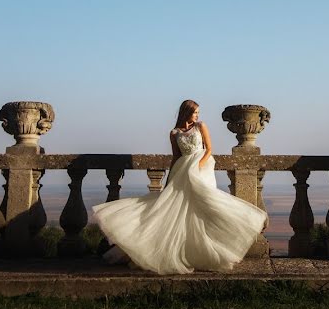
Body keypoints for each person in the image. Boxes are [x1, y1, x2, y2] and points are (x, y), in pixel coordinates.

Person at [91, 100, 268, 275]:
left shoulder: (200, 126)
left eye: (198, 113)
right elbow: (176, 156)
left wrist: (199, 166)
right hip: (181, 170)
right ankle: (188, 253)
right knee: (180, 210)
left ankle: (222, 244)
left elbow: (209, 149)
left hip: (201, 168)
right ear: (186, 112)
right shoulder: (174, 132)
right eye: (194, 112)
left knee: (207, 204)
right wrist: (171, 177)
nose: (197, 115)